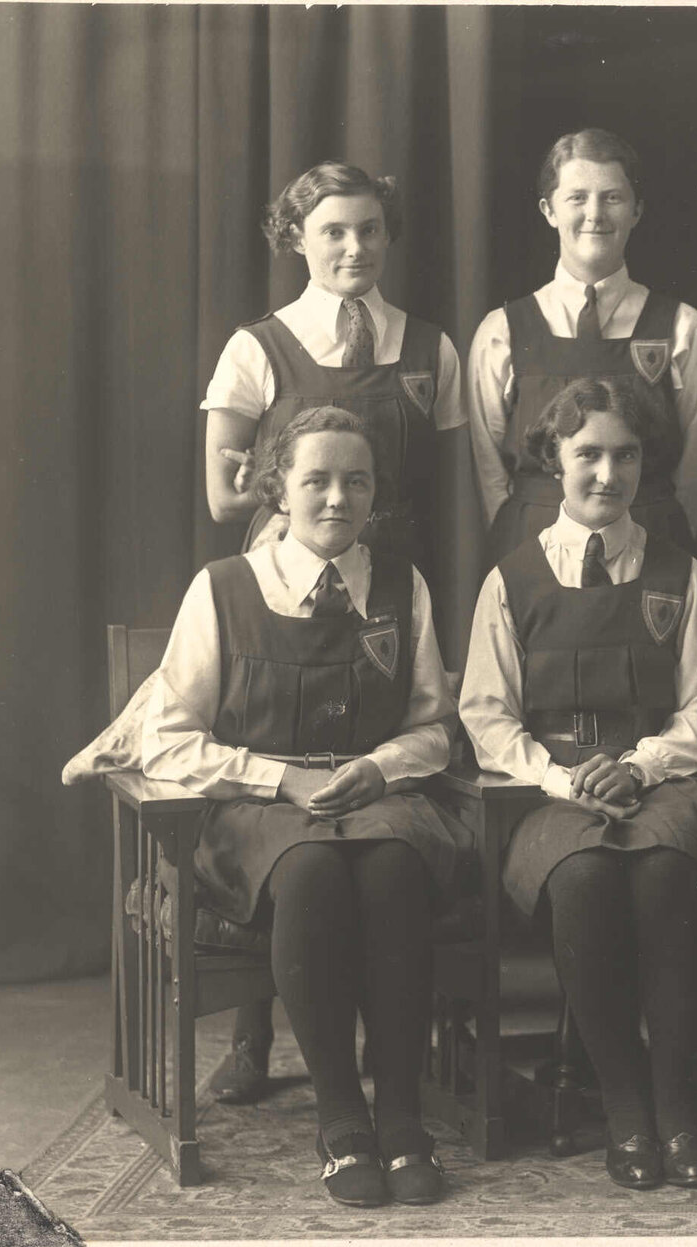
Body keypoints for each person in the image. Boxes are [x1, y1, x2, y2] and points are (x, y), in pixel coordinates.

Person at [142, 407, 464, 1207]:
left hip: (372, 798)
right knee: (313, 866)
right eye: (315, 479)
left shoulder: (402, 585)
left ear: (375, 492)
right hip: (255, 812)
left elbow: (435, 729)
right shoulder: (223, 588)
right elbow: (166, 742)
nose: (335, 497)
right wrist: (276, 779)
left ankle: (399, 1113)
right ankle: (342, 1116)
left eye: (356, 480)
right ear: (276, 488)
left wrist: (383, 766)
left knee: (393, 866)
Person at [201, 162, 469, 1103]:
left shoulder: (429, 344)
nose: (354, 248)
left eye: (369, 231)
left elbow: (445, 485)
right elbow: (220, 490)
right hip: (289, 567)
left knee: (375, 791)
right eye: (332, 233)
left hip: (389, 584)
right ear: (298, 241)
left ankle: (379, 1044)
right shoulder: (259, 346)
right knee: (287, 770)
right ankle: (250, 1037)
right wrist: (296, 502)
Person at [461, 377, 697, 1190]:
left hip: (664, 785)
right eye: (588, 454)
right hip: (550, 797)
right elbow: (486, 712)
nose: (606, 474)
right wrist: (556, 777)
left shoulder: (679, 573)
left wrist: (643, 762)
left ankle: (675, 1099)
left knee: (664, 875)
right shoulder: (511, 580)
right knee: (581, 880)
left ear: (645, 464)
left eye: (624, 455)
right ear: (555, 458)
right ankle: (623, 1105)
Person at [468, 128, 697, 561]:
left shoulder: (682, 326)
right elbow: (489, 472)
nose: (595, 214)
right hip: (533, 545)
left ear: (637, 210)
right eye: (577, 198)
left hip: (650, 544)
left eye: (612, 197)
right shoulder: (501, 330)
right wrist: (518, 545)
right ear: (549, 210)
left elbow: (693, 473)